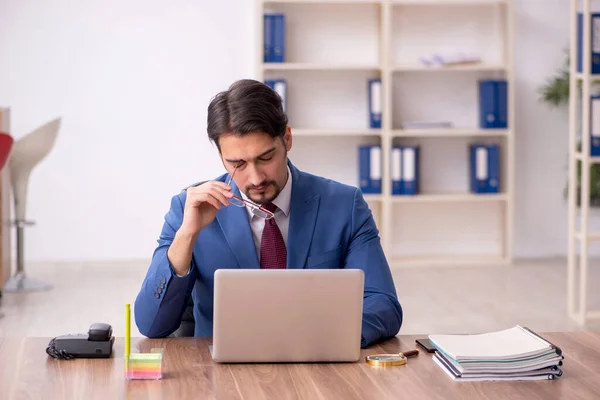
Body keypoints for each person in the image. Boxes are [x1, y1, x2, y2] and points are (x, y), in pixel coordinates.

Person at [134, 79, 403, 348]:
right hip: (221, 376)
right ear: (220, 155)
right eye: (237, 163)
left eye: (265, 158)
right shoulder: (187, 210)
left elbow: (384, 304)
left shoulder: (345, 205)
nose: (255, 177)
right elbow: (152, 324)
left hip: (317, 364)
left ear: (286, 138)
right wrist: (187, 234)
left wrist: (323, 338)